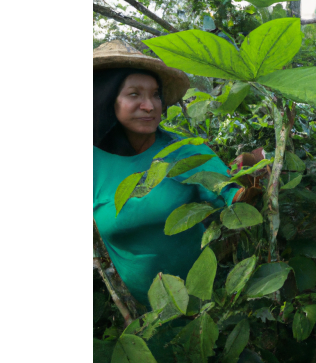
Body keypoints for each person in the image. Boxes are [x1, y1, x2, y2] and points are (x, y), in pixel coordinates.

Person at [93, 40, 263, 312]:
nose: (150, 106)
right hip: (134, 313)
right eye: (134, 94)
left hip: (204, 302)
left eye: (156, 95)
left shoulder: (185, 151)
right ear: (105, 97)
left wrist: (253, 169)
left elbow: (237, 199)